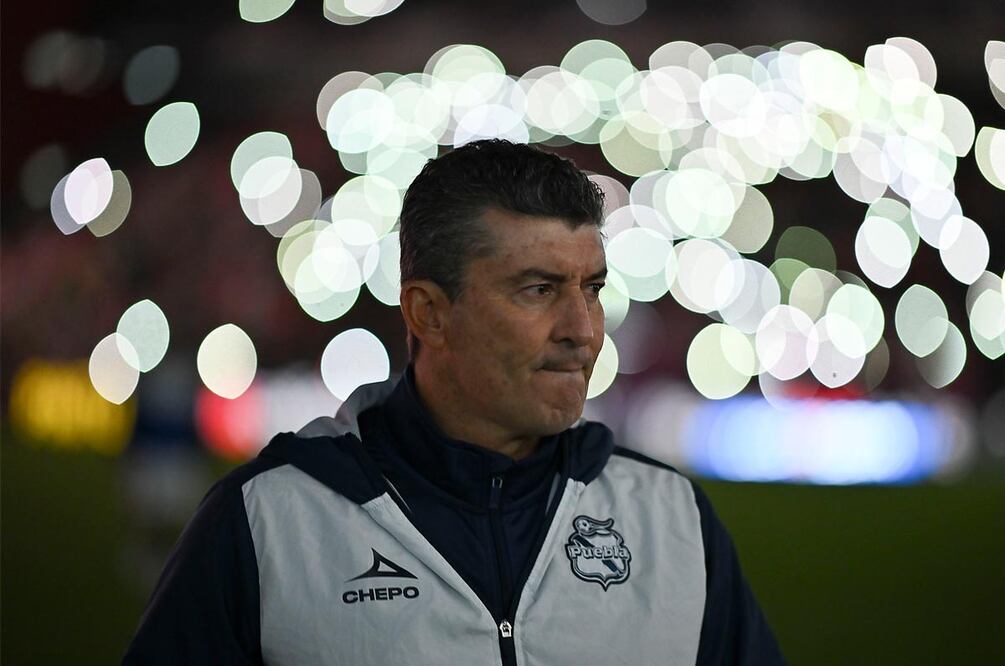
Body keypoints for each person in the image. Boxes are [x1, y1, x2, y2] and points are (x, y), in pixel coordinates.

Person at [123, 139, 785, 665]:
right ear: (429, 314)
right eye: (538, 289)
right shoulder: (269, 521)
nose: (583, 329)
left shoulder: (672, 521)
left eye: (591, 288)